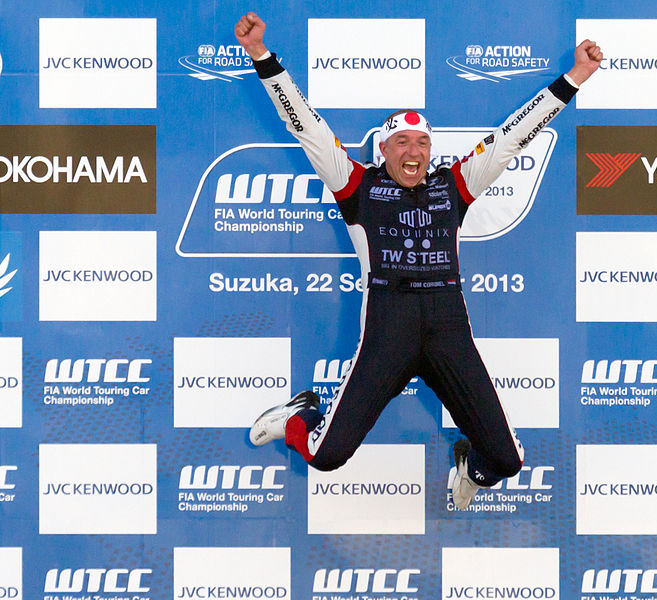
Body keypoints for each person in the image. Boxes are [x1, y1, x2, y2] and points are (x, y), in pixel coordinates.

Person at [235, 12, 602, 510]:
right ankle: (297, 417)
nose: (414, 151)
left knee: (508, 462)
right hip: (389, 329)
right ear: (383, 149)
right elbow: (308, 129)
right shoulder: (357, 185)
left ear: (432, 150)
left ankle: (468, 468)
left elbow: (517, 134)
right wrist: (262, 57)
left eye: (423, 142)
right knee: (324, 456)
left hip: (449, 327)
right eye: (402, 143)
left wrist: (575, 77)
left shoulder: (455, 184)